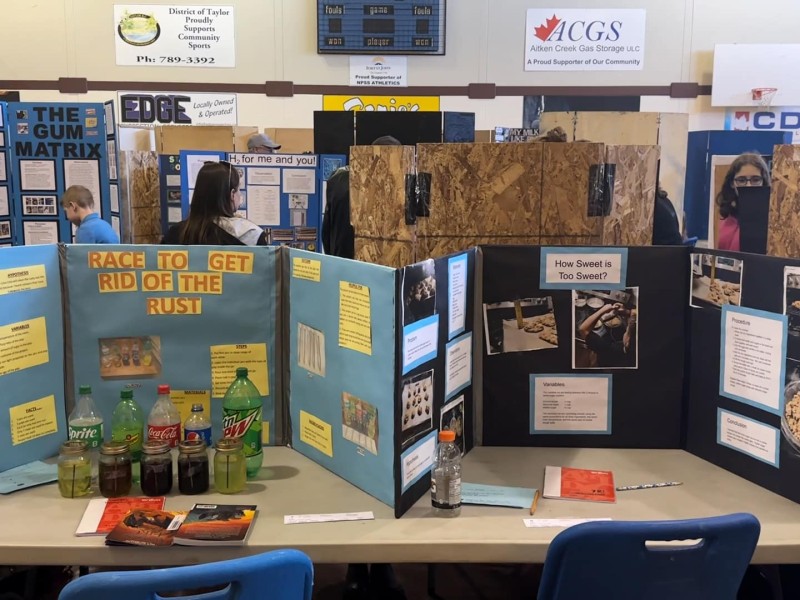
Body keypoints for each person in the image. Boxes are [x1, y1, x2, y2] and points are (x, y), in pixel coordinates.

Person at [322, 135, 402, 259]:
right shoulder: (390, 186)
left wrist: (332, 255)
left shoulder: (337, 178)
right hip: (373, 261)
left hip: (340, 258)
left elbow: (326, 230)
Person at [162, 161, 267, 246]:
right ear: (232, 194)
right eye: (238, 189)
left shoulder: (175, 233)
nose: (240, 194)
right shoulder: (250, 235)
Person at [716, 153, 771, 251]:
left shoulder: (772, 220)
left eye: (755, 180)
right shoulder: (727, 216)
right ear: (732, 183)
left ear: (764, 182)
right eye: (741, 180)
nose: (748, 185)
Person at [578, 302, 637, 368]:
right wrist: (627, 312)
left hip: (606, 361)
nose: (625, 332)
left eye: (627, 331)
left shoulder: (611, 351)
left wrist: (603, 310)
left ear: (627, 342)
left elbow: (583, 329)